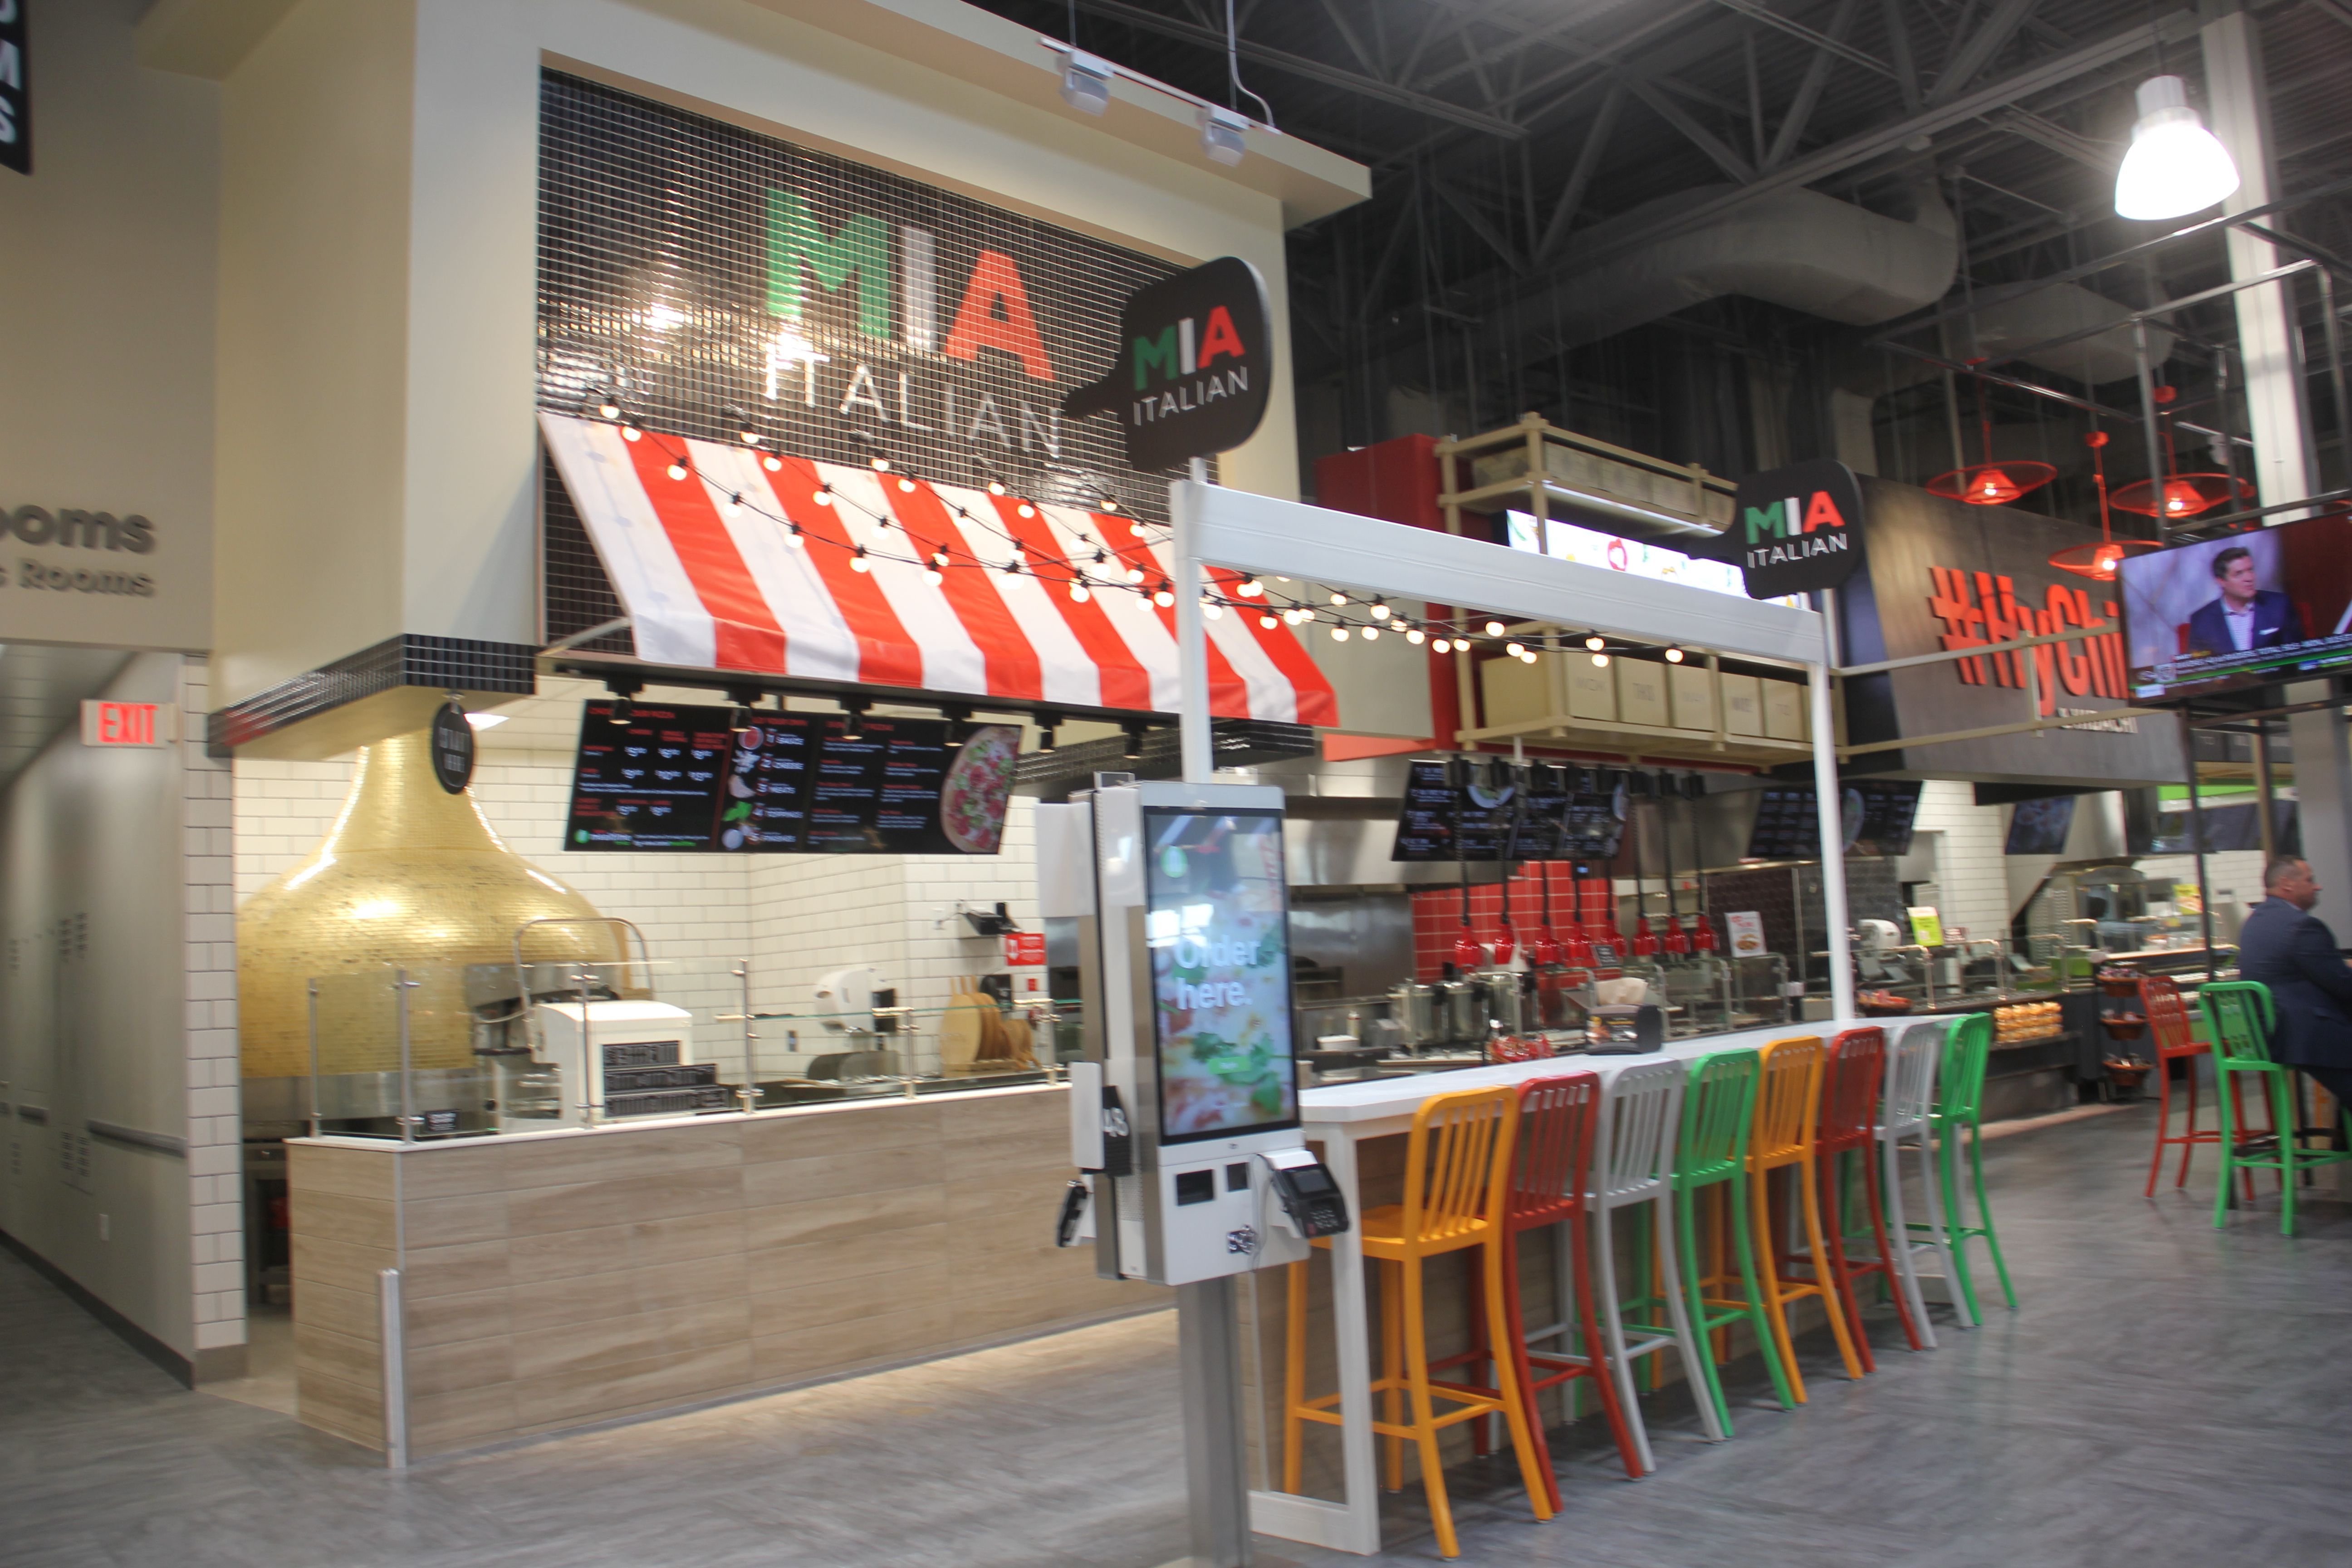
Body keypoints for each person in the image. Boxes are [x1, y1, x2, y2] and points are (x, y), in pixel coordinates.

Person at [2235, 856, 2352, 1105]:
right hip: (2304, 1034)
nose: (2318, 886)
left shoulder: (2255, 921)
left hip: (2272, 1031)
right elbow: (2343, 984)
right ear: (2287, 884)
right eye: (2310, 880)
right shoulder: (2301, 926)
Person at [2183, 545, 2305, 658]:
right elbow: (2199, 666)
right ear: (2221, 581)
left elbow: (2299, 655)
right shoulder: (2202, 620)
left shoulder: (2279, 606)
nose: (2249, 578)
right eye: (2239, 574)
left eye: (2250, 570)